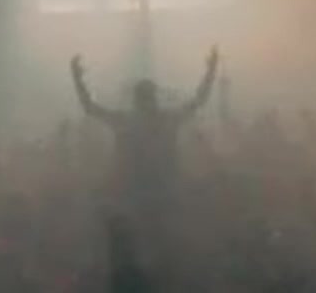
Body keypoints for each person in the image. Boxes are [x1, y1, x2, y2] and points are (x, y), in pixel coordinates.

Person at [69, 46, 219, 201]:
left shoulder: (128, 120)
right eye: (146, 96)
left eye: (146, 97)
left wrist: (77, 78)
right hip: (154, 191)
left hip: (142, 192)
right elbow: (199, 101)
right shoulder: (164, 119)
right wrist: (211, 70)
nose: (146, 101)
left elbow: (90, 108)